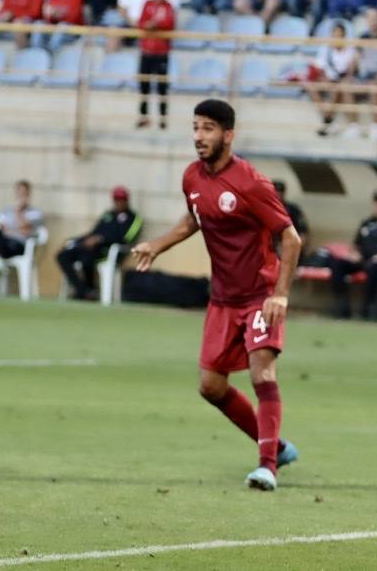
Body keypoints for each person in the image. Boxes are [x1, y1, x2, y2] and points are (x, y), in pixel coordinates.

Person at [132, 99, 302, 490]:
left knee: (262, 371)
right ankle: (275, 443)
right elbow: (194, 218)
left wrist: (280, 295)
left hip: (260, 293)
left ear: (228, 134)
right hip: (223, 298)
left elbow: (290, 238)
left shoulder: (252, 183)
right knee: (210, 386)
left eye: (208, 128)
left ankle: (267, 466)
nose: (199, 137)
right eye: (195, 128)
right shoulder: (192, 177)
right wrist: (158, 245)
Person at [329, 188, 377, 320]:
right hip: (363, 260)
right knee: (336, 264)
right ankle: (342, 306)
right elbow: (355, 244)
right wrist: (354, 254)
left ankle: (367, 309)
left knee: (375, 268)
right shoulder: (367, 222)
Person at [56, 187, 143, 301]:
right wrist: (79, 240)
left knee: (86, 259)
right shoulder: (108, 215)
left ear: (126, 201)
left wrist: (101, 239)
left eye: (121, 199)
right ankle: (82, 290)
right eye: (116, 199)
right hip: (91, 247)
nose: (118, 202)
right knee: (63, 255)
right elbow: (94, 232)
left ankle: (89, 291)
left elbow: (126, 239)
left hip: (108, 251)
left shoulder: (134, 218)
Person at [0, 180, 44, 286]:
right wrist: (15, 229)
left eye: (24, 192)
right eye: (19, 191)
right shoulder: (6, 210)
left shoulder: (35, 212)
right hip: (4, 243)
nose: (21, 195)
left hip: (19, 245)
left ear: (28, 193)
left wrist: (18, 212)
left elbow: (26, 228)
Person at [137, 0, 175, 128]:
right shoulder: (147, 4)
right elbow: (141, 22)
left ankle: (163, 119)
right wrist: (148, 25)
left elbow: (170, 23)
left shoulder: (168, 6)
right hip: (147, 50)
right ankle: (143, 116)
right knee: (144, 84)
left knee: (162, 86)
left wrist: (155, 24)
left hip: (161, 52)